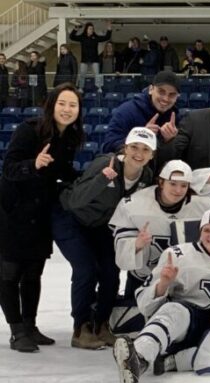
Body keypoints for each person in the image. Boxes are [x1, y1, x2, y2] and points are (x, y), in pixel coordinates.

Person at [113, 208, 210, 383]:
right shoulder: (177, 255)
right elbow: (145, 306)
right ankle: (138, 359)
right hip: (186, 323)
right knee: (174, 310)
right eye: (207, 230)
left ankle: (171, 362)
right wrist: (163, 284)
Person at [1, 83, 83, 352]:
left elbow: (63, 169)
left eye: (72, 105)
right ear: (52, 105)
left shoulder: (69, 138)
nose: (67, 109)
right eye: (62, 103)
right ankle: (16, 331)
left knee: (34, 273)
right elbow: (9, 168)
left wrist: (90, 177)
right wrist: (33, 164)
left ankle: (30, 326)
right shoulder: (29, 129)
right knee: (10, 273)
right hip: (13, 212)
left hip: (41, 213)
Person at [57, 127, 157, 349]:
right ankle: (81, 328)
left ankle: (102, 324)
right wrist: (102, 180)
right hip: (71, 219)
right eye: (134, 147)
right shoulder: (106, 164)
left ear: (152, 155)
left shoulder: (146, 176)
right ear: (125, 148)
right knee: (86, 269)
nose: (138, 154)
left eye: (145, 150)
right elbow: (75, 200)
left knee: (112, 271)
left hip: (101, 226)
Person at [108, 160, 210, 301]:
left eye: (184, 185)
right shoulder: (134, 204)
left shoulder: (205, 205)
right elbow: (122, 252)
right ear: (161, 182)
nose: (178, 190)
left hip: (187, 281)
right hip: (144, 279)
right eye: (173, 184)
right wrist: (136, 244)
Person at [102, 70, 180, 155]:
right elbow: (108, 147)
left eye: (172, 94)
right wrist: (139, 137)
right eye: (161, 92)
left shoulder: (176, 118)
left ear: (177, 97)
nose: (165, 98)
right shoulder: (127, 111)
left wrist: (170, 142)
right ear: (151, 89)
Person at [68, 21, 112, 89]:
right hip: (84, 60)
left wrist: (109, 29)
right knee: (82, 75)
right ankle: (80, 88)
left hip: (94, 59)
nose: (91, 30)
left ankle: (99, 88)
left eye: (92, 29)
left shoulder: (95, 37)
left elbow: (106, 37)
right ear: (86, 29)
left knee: (97, 75)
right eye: (90, 29)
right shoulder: (82, 37)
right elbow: (72, 37)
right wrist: (75, 29)